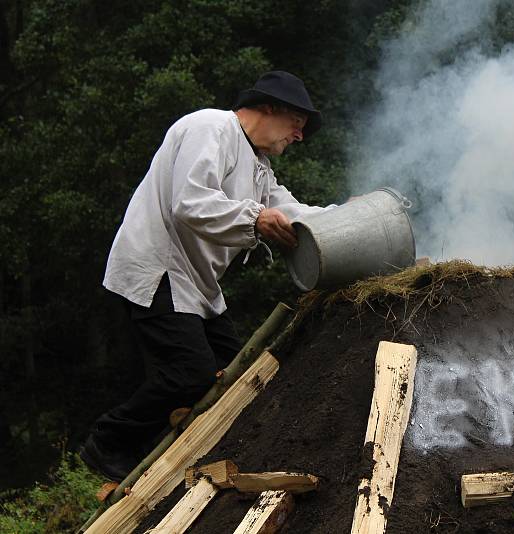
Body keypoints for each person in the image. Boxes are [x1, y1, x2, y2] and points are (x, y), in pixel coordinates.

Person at [80, 71, 332, 481]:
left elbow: (294, 214)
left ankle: (166, 450)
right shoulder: (210, 126)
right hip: (159, 268)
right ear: (269, 108)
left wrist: (350, 217)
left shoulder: (259, 168)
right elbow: (189, 202)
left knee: (238, 373)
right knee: (191, 373)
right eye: (296, 124)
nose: (299, 136)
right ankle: (108, 443)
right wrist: (254, 217)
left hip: (198, 284)